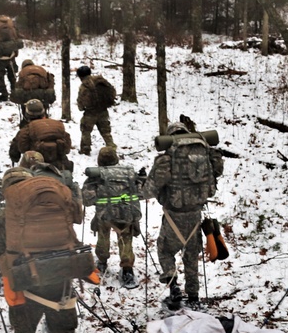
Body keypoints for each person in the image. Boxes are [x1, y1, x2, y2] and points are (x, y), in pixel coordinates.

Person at [0, 157, 94, 333]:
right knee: (65, 331)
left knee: (24, 328)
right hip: (61, 274)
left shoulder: (6, 215)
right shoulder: (57, 207)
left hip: (25, 280)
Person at [143, 119, 224, 309]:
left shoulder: (166, 159)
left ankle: (173, 288)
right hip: (196, 215)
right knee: (191, 256)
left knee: (165, 250)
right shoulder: (204, 154)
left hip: (174, 215)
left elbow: (149, 191)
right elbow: (217, 172)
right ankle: (194, 297)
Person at [82, 147, 142, 288]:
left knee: (103, 236)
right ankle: (127, 270)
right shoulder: (128, 174)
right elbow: (141, 192)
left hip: (105, 216)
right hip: (127, 214)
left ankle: (102, 263)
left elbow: (86, 200)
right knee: (126, 239)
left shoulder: (96, 176)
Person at [8, 99, 74, 172]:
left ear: (27, 115)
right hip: (59, 167)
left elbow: (20, 148)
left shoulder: (26, 130)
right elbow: (67, 148)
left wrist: (15, 159)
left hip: (35, 167)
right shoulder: (57, 126)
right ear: (43, 112)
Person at [75, 65, 117, 155]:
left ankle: (85, 149)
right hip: (103, 111)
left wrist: (81, 108)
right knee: (105, 131)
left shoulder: (84, 86)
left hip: (91, 113)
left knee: (85, 131)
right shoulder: (100, 81)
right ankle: (111, 146)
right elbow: (112, 91)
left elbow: (81, 101)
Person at [10, 59, 56, 125]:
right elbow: (49, 83)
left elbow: (19, 87)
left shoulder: (22, 72)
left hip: (27, 94)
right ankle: (44, 121)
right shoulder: (41, 69)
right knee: (42, 107)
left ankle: (27, 122)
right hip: (42, 93)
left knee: (25, 106)